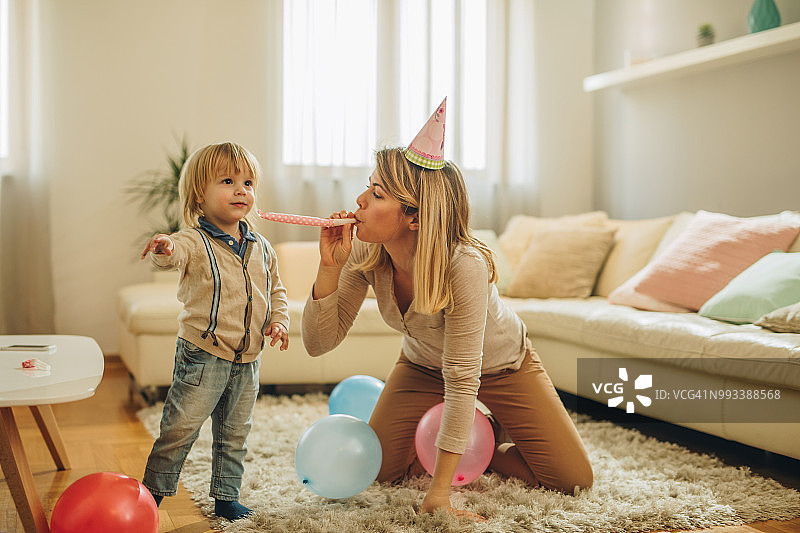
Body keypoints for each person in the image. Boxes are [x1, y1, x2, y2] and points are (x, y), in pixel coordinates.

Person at [302, 99, 592, 520]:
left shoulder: (464, 266)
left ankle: (485, 439)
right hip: (421, 366)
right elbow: (317, 343)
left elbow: (462, 377)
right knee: (379, 472)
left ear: (415, 218)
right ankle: (479, 435)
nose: (360, 200)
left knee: (572, 479)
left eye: (377, 193)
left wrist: (440, 493)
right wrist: (329, 268)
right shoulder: (365, 248)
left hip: (501, 367)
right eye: (369, 186)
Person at [140, 141, 289, 521]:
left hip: (248, 358)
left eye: (249, 182)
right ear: (199, 196)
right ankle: (150, 497)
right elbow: (172, 254)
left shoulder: (261, 246)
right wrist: (164, 247)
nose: (242, 190)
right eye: (228, 180)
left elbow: (276, 289)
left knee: (235, 433)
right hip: (203, 356)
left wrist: (279, 320)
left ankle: (226, 496)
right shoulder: (193, 240)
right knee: (180, 428)